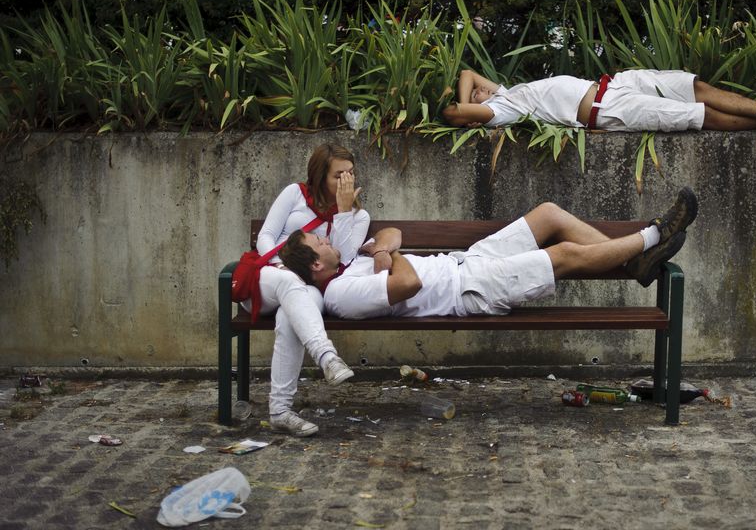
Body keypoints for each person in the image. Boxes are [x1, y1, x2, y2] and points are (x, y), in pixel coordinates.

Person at [278, 188, 698, 322]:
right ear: (317, 265)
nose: (328, 240)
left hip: (468, 260)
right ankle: (654, 234)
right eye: (321, 244)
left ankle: (635, 262)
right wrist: (392, 260)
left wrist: (386, 247)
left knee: (548, 215)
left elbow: (391, 232)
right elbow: (408, 284)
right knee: (564, 254)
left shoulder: (348, 261)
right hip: (471, 290)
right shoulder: (340, 295)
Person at [246, 144, 370, 437]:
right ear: (320, 177)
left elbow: (342, 259)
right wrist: (281, 266)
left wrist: (342, 213)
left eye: (350, 174)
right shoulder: (295, 194)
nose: (346, 181)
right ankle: (327, 357)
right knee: (290, 284)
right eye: (338, 175)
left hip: (311, 287)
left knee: (289, 318)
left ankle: (280, 412)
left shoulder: (358, 217)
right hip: (270, 276)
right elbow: (266, 235)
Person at [441, 69, 756, 137]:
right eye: (477, 97)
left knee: (691, 86)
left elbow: (468, 71)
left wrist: (479, 92)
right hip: (608, 111)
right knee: (694, 116)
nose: (479, 91)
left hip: (614, 85)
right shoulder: (502, 110)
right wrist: (470, 112)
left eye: (481, 91)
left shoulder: (506, 91)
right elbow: (454, 112)